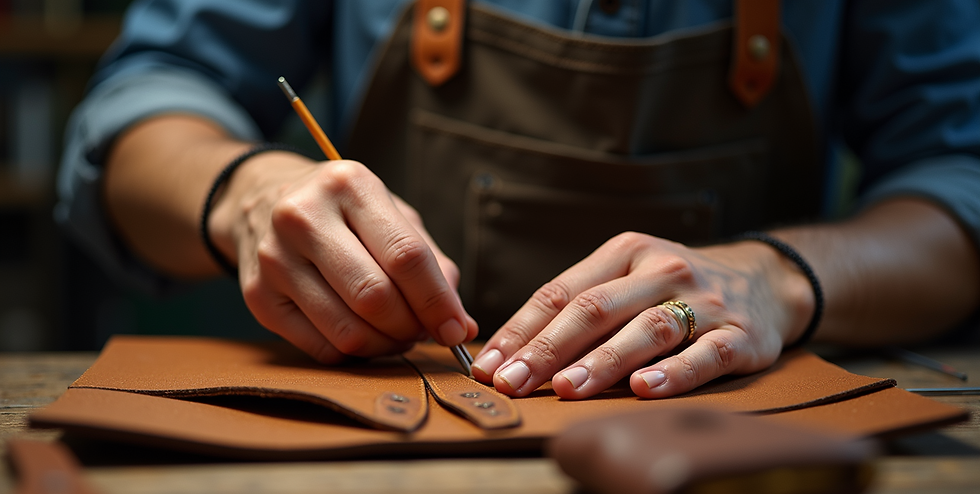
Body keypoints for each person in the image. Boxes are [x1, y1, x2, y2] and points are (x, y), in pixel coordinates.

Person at [58, 0, 980, 401]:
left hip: (734, 466)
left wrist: (781, 280)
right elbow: (139, 106)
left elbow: (959, 176)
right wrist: (243, 192)